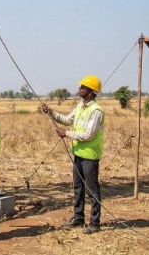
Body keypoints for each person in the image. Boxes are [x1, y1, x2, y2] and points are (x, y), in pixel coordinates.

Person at [42, 75, 105, 234]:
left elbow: (89, 135)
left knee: (92, 191)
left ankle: (95, 223)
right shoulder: (80, 106)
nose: (79, 89)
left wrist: (67, 134)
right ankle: (78, 217)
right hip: (78, 153)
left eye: (83, 87)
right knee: (78, 188)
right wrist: (51, 112)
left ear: (91, 92)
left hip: (90, 156)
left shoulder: (96, 111)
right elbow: (66, 120)